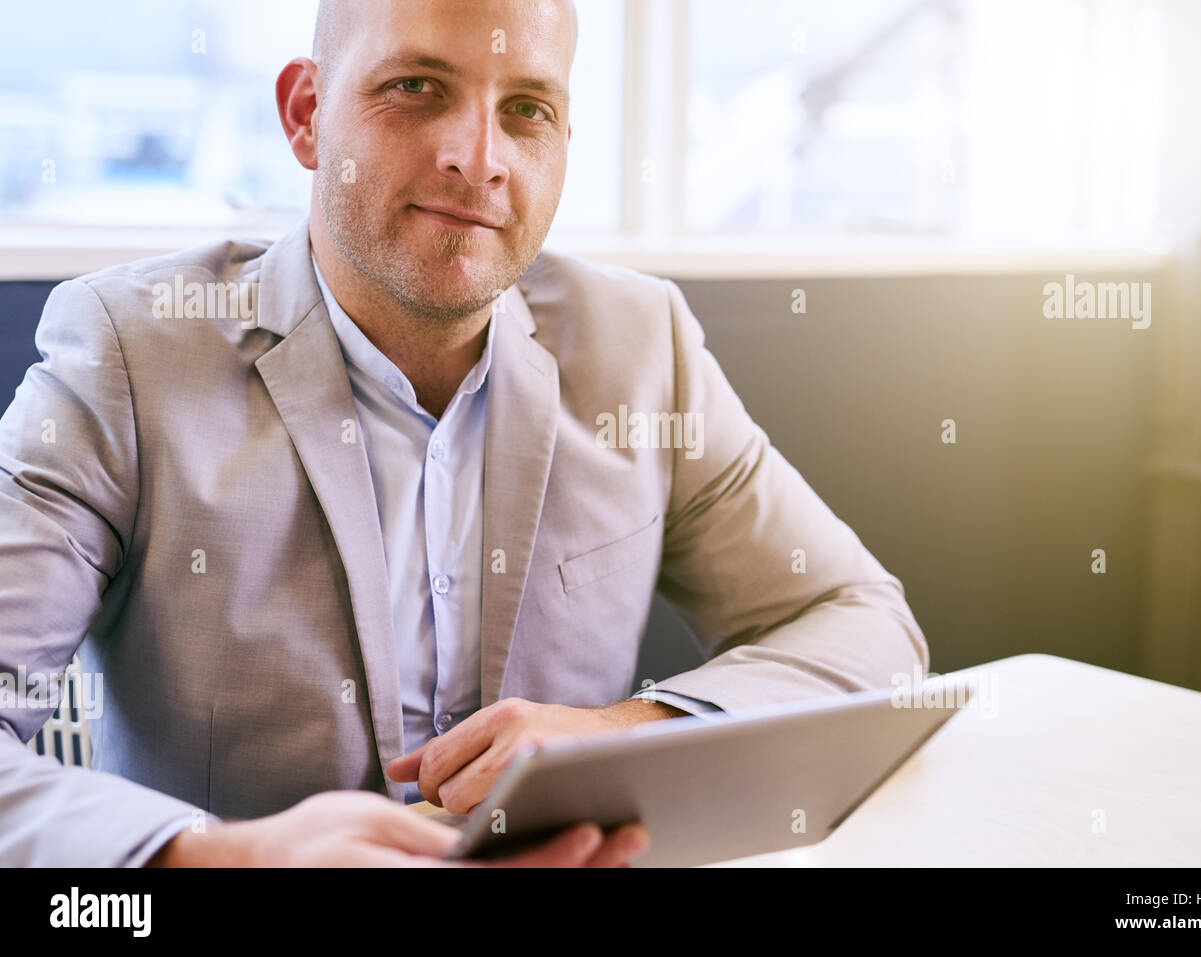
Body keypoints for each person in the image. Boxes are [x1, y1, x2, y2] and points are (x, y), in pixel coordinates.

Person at [0, 0, 927, 867]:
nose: (478, 157)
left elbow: (863, 622)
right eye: (417, 88)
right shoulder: (126, 353)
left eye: (526, 109)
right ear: (307, 114)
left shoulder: (643, 347)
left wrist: (628, 726)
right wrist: (224, 857)